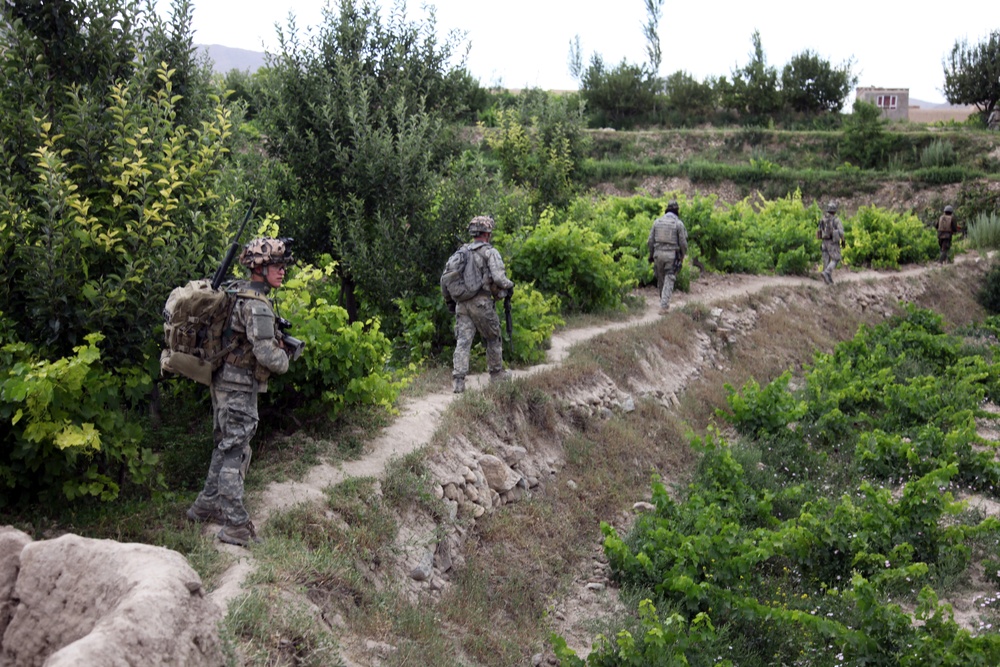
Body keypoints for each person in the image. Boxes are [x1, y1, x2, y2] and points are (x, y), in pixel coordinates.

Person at [186, 237, 295, 546]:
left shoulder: (234, 291)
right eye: (276, 266)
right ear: (259, 269)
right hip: (238, 386)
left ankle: (206, 505)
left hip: (221, 380)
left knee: (224, 443)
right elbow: (266, 355)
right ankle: (235, 523)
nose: (282, 272)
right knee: (236, 450)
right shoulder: (258, 304)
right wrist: (285, 357)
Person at [444, 215, 514, 394]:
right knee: (493, 337)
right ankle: (496, 375)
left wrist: (450, 302)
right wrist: (509, 285)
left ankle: (458, 381)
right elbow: (499, 278)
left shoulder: (461, 253)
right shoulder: (490, 252)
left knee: (463, 341)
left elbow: (445, 278)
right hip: (481, 303)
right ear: (488, 233)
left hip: (462, 304)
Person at [647, 199, 688, 311]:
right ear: (677, 211)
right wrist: (682, 255)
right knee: (669, 278)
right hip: (671, 256)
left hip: (658, 255)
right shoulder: (678, 224)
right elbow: (683, 243)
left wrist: (651, 255)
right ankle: (664, 306)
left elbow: (650, 241)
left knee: (661, 280)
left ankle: (662, 301)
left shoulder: (657, 222)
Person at [818, 202, 845, 285]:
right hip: (832, 242)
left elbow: (819, 231)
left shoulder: (822, 219)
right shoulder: (836, 220)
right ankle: (827, 272)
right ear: (834, 211)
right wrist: (843, 241)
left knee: (825, 260)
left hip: (824, 241)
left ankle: (827, 279)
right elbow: (841, 232)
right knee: (836, 258)